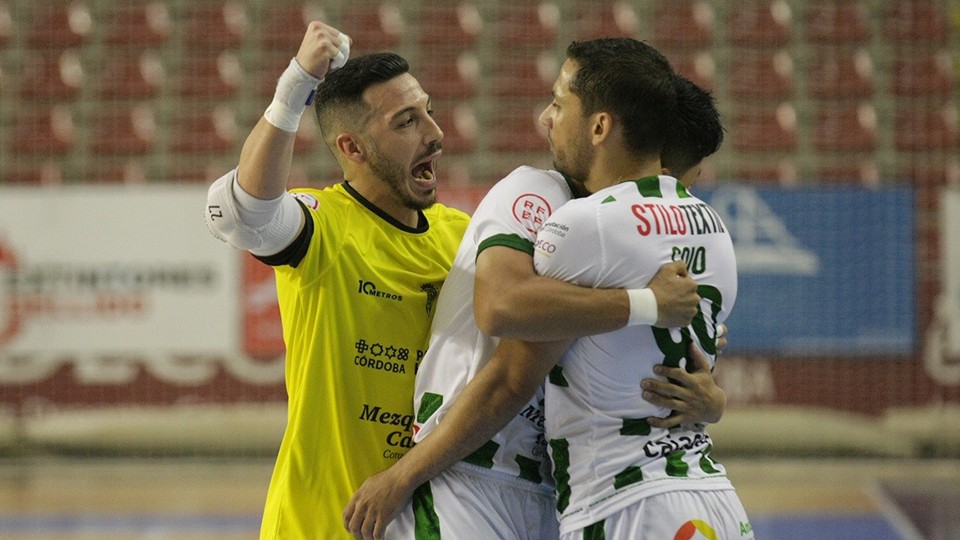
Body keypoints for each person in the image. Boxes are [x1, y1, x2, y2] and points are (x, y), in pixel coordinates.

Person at [205, 22, 706, 539]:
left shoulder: (462, 236)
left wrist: (708, 396)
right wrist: (294, 87)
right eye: (406, 122)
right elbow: (246, 216)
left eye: (429, 112)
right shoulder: (324, 229)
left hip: (436, 515)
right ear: (352, 149)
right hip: (325, 523)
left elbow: (557, 339)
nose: (435, 134)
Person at [344, 40, 733, 540]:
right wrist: (648, 304)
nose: (546, 119)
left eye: (558, 103)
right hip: (469, 474)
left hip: (557, 491)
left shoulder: (633, 238)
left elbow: (671, 361)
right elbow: (503, 313)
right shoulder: (535, 190)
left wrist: (711, 400)